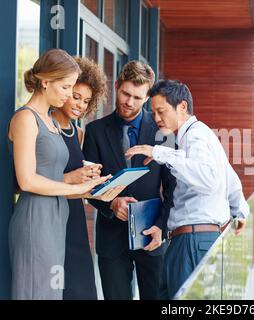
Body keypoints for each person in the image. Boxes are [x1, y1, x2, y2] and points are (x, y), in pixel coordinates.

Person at [125, 79, 250, 299]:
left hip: (192, 240)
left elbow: (209, 178)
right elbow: (227, 174)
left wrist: (158, 153)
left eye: (161, 111)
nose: (156, 118)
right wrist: (240, 210)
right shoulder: (197, 135)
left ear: (182, 107)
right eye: (153, 112)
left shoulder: (195, 135)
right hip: (190, 240)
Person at [7, 49, 112, 300]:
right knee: (37, 292)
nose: (68, 95)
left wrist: (94, 187)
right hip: (36, 219)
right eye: (66, 88)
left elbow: (55, 174)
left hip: (57, 218)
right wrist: (79, 189)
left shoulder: (52, 123)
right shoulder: (25, 118)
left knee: (53, 293)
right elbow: (26, 180)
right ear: (46, 82)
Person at [82, 61, 175, 300]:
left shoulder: (161, 132)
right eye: (125, 93)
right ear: (116, 86)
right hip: (112, 240)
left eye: (137, 97)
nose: (129, 102)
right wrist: (111, 204)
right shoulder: (95, 131)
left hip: (151, 235)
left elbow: (173, 188)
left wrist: (162, 228)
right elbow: (88, 185)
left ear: (147, 98)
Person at [51, 57, 125, 300]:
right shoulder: (43, 126)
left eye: (86, 101)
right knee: (53, 287)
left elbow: (79, 183)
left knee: (80, 288)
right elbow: (28, 180)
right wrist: (74, 178)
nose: (80, 105)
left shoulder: (80, 133)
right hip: (49, 214)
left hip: (74, 217)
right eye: (76, 96)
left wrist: (97, 182)